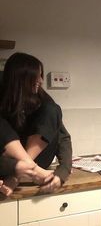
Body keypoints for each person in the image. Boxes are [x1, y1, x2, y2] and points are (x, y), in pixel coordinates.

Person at [0, 52, 72, 195]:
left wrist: (62, 173)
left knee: (52, 110)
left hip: (36, 162)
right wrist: (14, 166)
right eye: (36, 76)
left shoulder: (43, 98)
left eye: (41, 75)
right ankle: (29, 170)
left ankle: (20, 174)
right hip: (8, 162)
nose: (41, 80)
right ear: (22, 78)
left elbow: (63, 138)